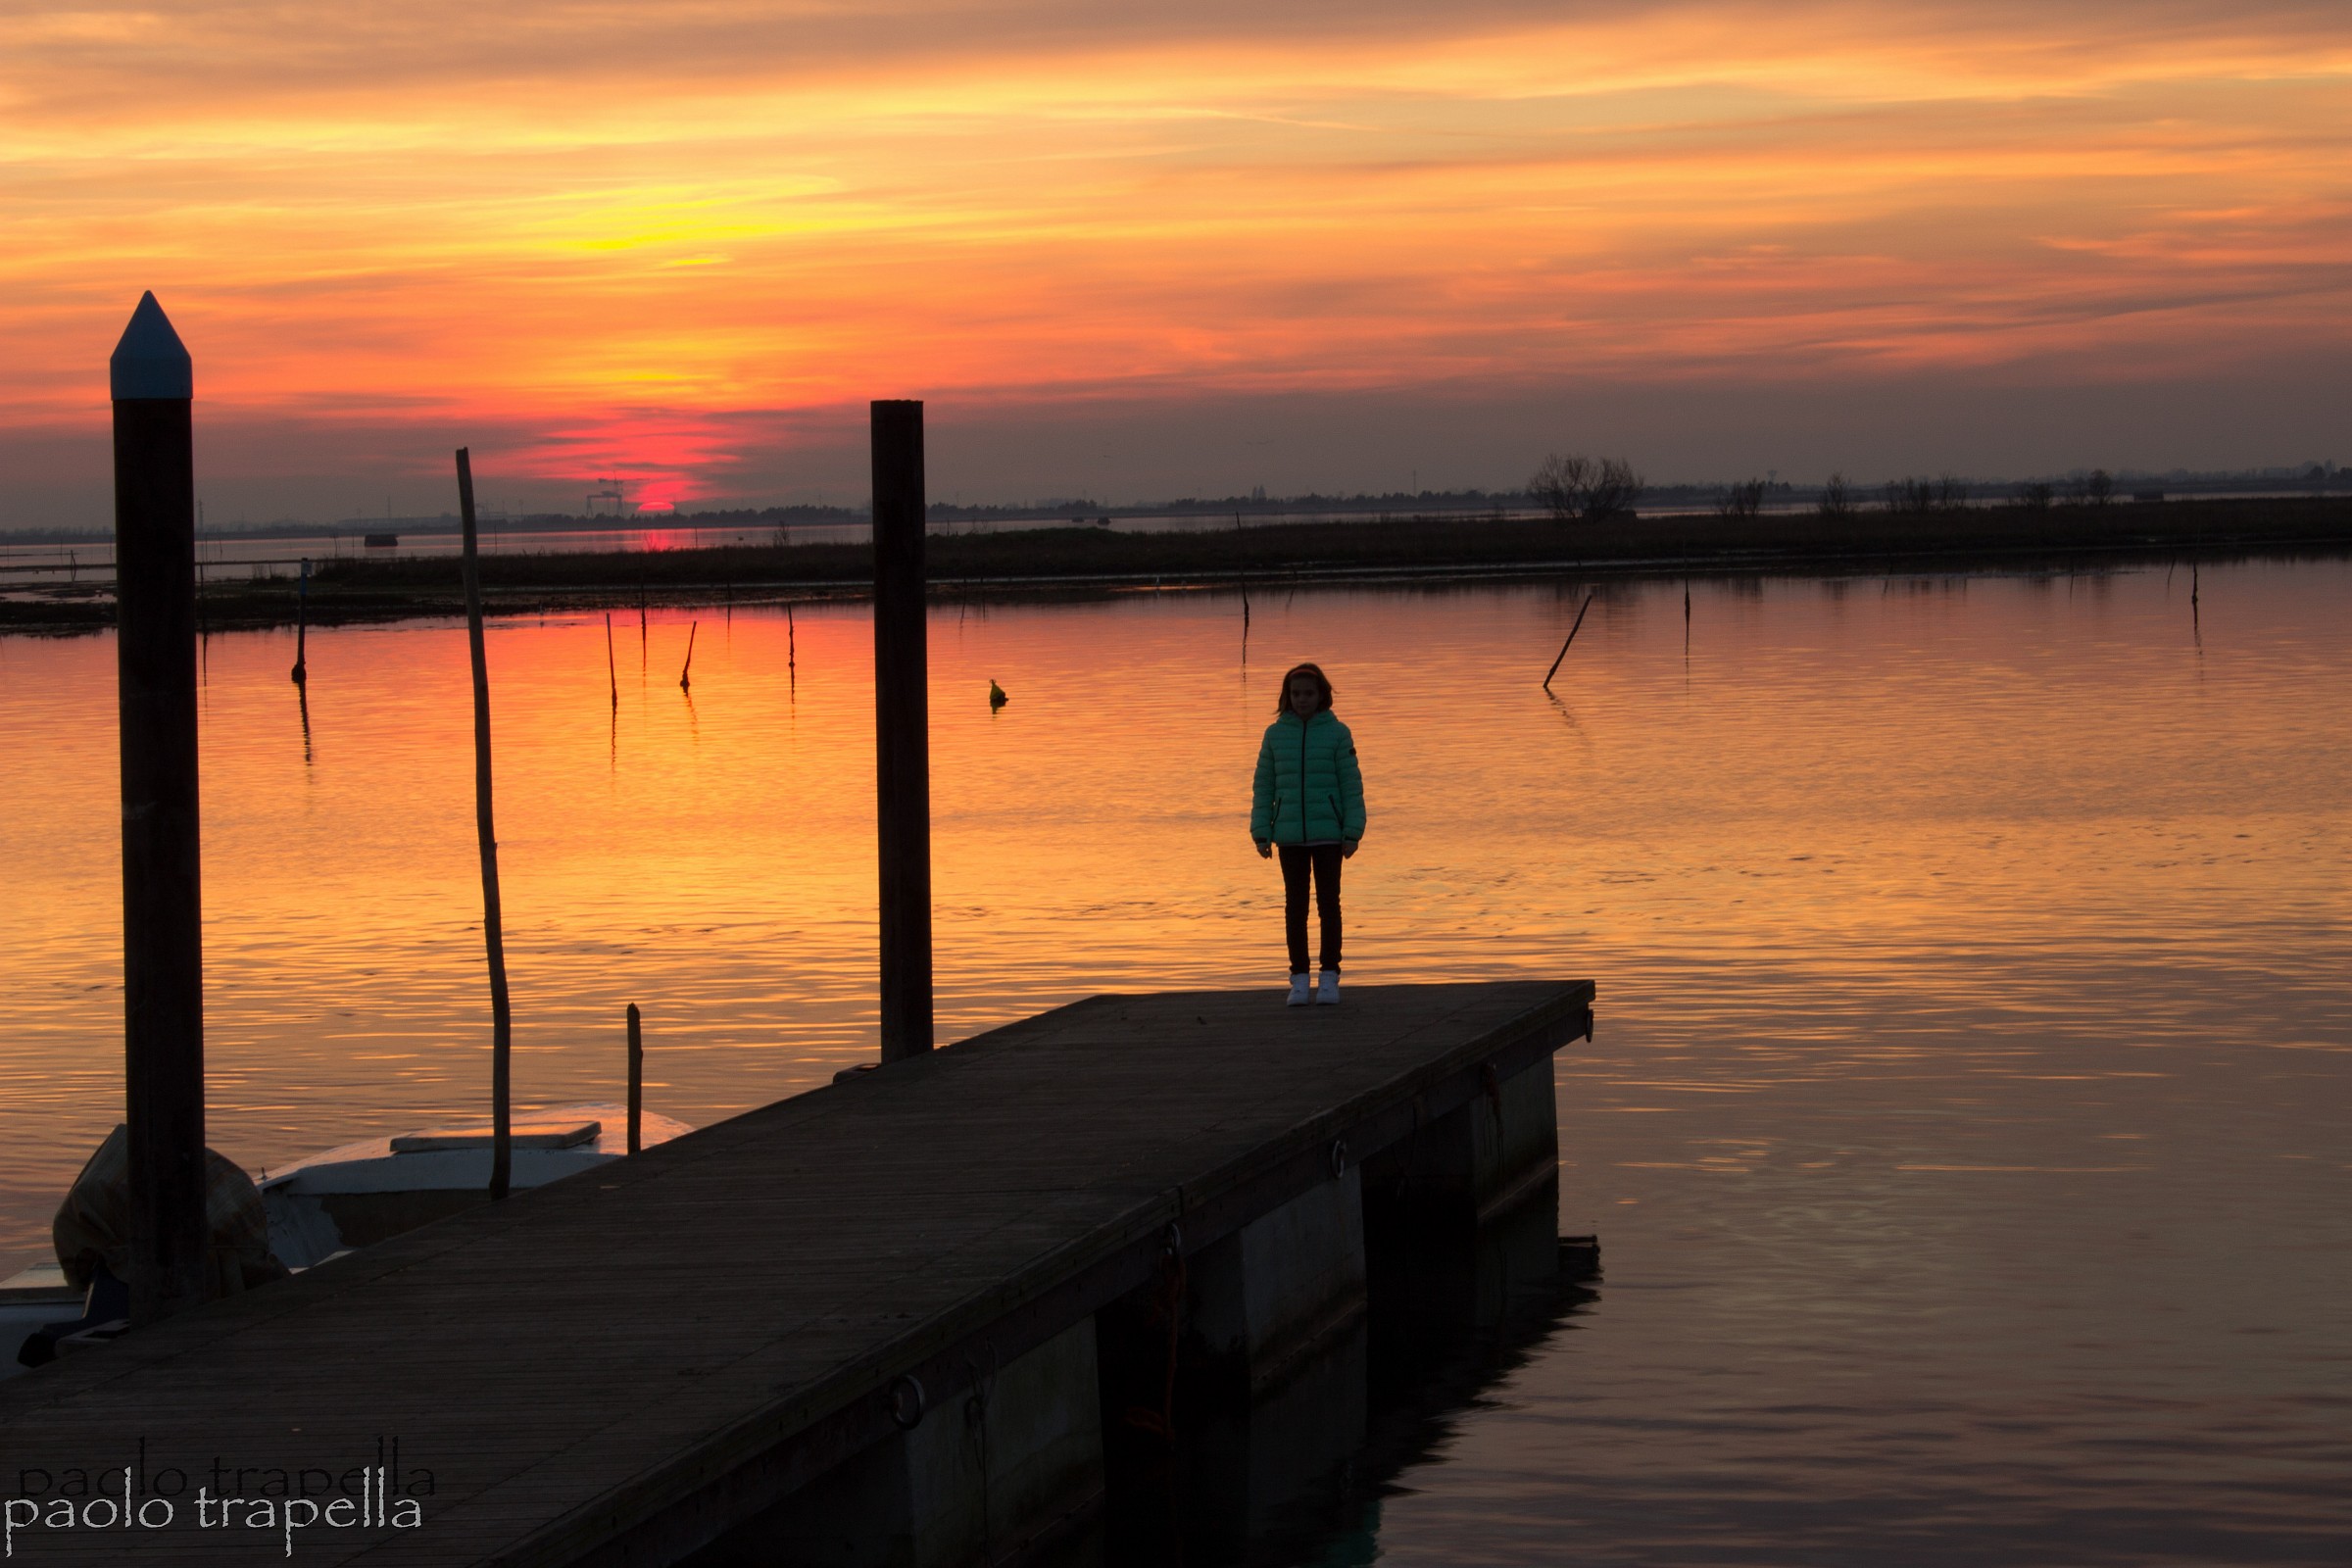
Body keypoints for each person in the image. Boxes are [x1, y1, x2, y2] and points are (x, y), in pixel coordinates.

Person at [1250, 662, 1367, 1005]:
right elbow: (1263, 786)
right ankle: (1299, 979)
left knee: (1329, 906)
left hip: (1330, 835)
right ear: (1287, 696)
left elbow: (1351, 785)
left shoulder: (1338, 733)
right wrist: (1261, 831)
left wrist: (1352, 830)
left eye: (1308, 694)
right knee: (1295, 907)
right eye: (1296, 693)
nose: (1302, 700)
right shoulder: (1274, 735)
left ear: (1321, 696)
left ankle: (1329, 977)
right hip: (1289, 836)